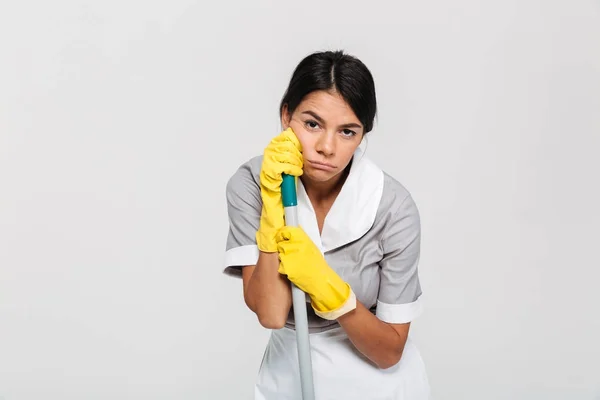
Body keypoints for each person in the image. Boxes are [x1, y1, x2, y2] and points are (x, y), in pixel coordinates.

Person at [222, 50, 430, 399]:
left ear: (362, 135)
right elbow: (272, 315)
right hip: (289, 377)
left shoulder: (392, 207)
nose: (326, 147)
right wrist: (273, 210)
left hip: (377, 385)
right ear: (286, 115)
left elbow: (389, 351)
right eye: (312, 124)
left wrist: (332, 292)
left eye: (347, 131)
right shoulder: (253, 184)